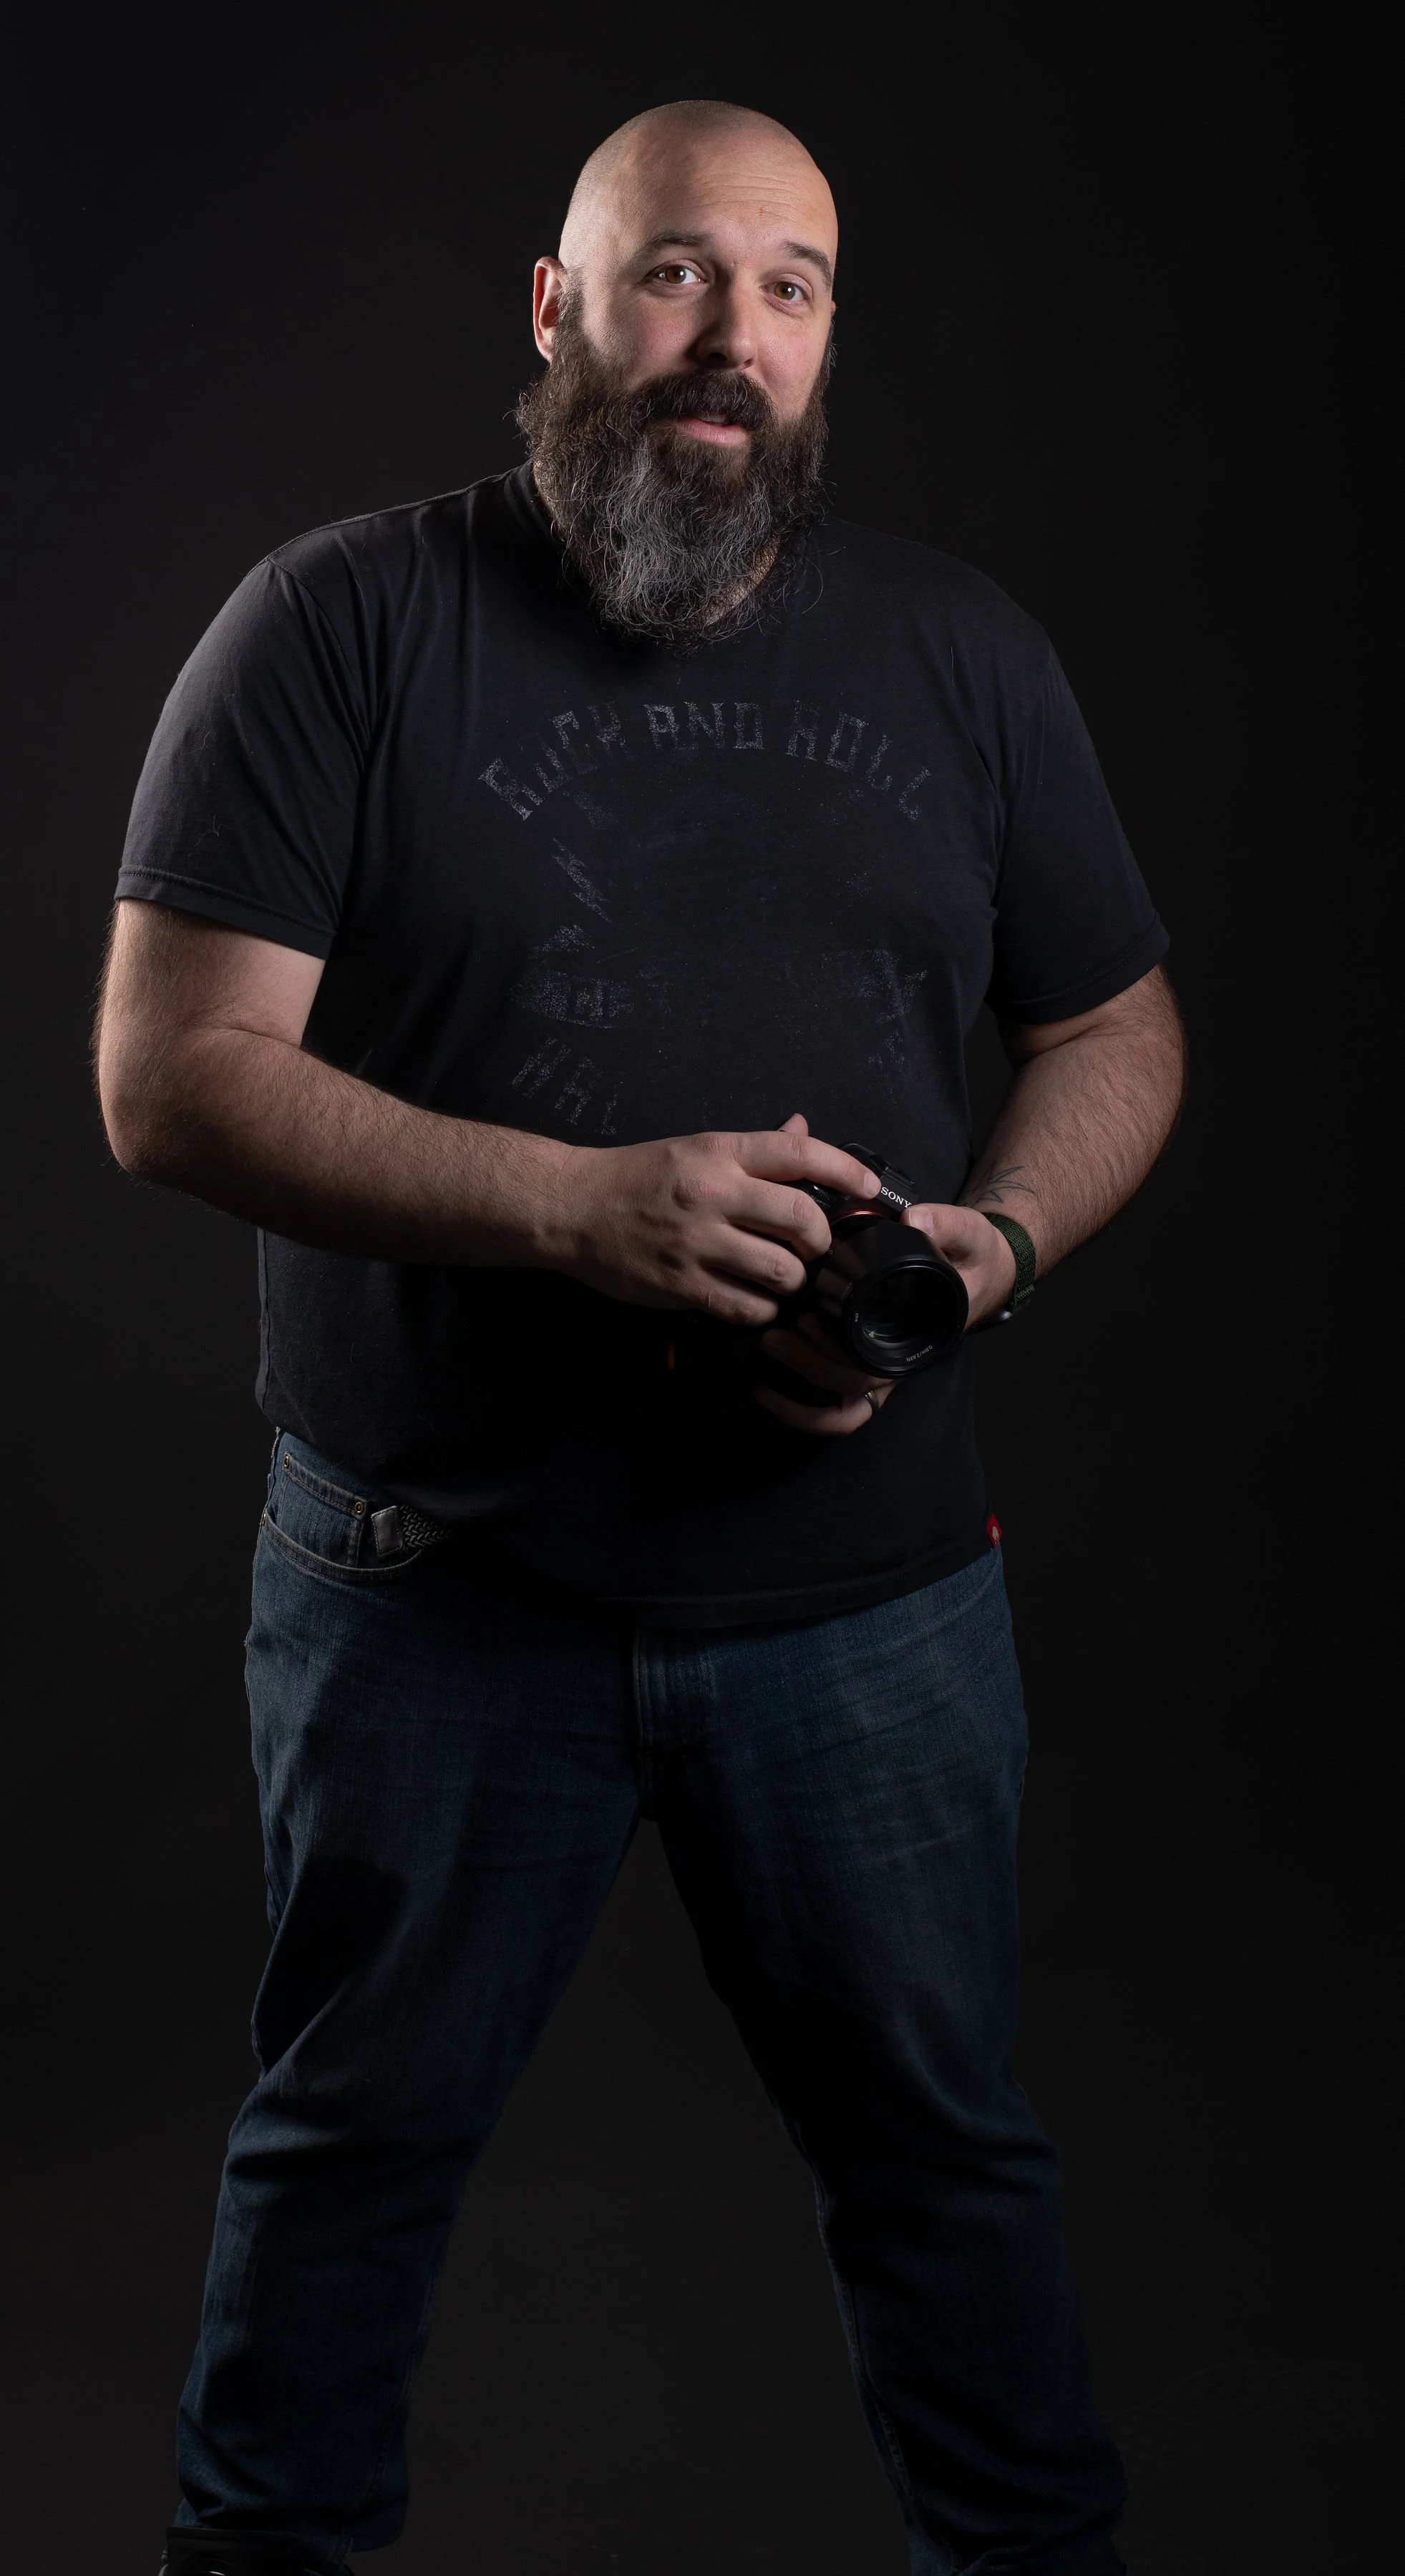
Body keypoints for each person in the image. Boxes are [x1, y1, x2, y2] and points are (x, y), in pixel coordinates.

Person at [97, 97, 1184, 2576]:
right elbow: (169, 1083)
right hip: (431, 1587)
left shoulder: (962, 649)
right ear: (560, 308)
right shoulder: (340, 624)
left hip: (874, 1601)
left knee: (950, 2177)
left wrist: (983, 1254)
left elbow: (1120, 1032)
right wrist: (579, 1210)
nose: (735, 340)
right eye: (679, 274)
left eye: (792, 288)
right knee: (344, 2174)